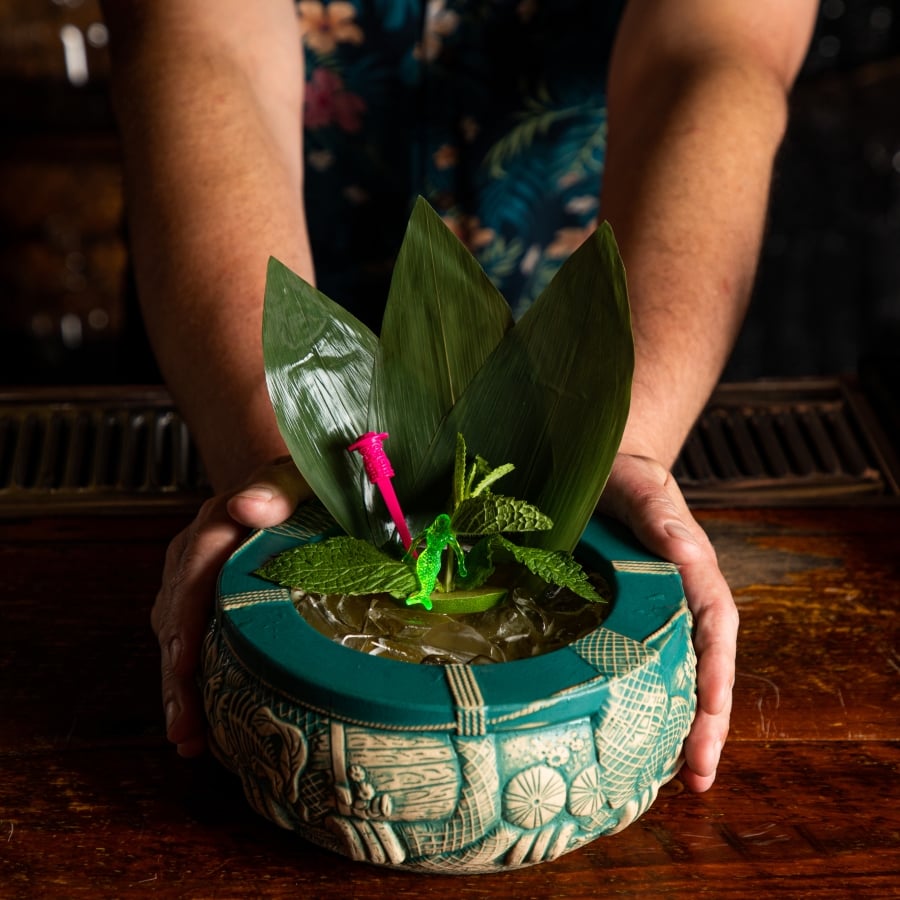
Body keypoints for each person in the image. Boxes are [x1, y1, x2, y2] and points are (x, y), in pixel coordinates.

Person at [99, 0, 818, 792]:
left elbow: (714, 46)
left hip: (613, 296)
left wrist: (615, 439)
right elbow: (206, 42)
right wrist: (274, 444)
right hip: (239, 299)